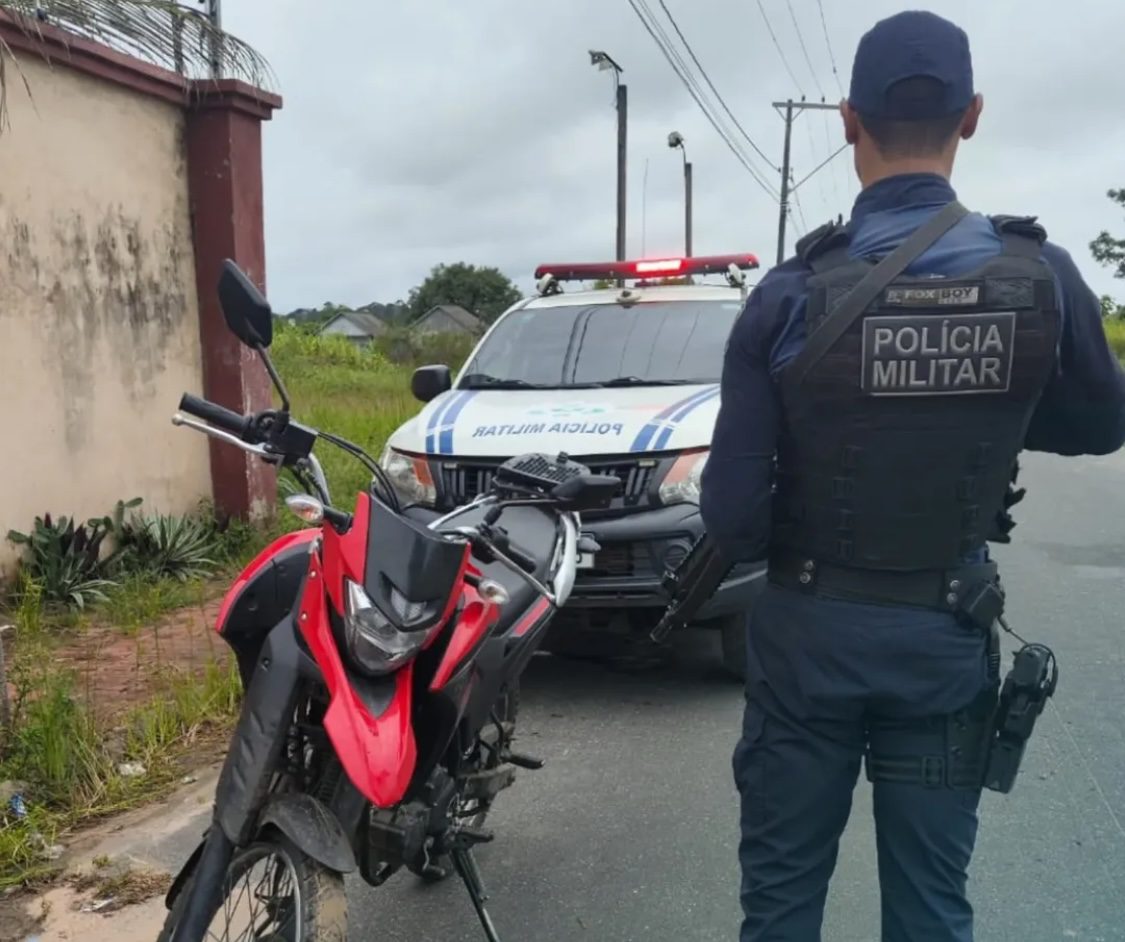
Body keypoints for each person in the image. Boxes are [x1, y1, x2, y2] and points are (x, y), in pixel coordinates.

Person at [700, 9, 1125, 942]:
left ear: (846, 119)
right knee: (931, 908)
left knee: (779, 905)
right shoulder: (1041, 274)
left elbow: (730, 516)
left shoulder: (785, 294)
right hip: (942, 637)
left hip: (806, 643)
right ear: (970, 116)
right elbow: (1100, 426)